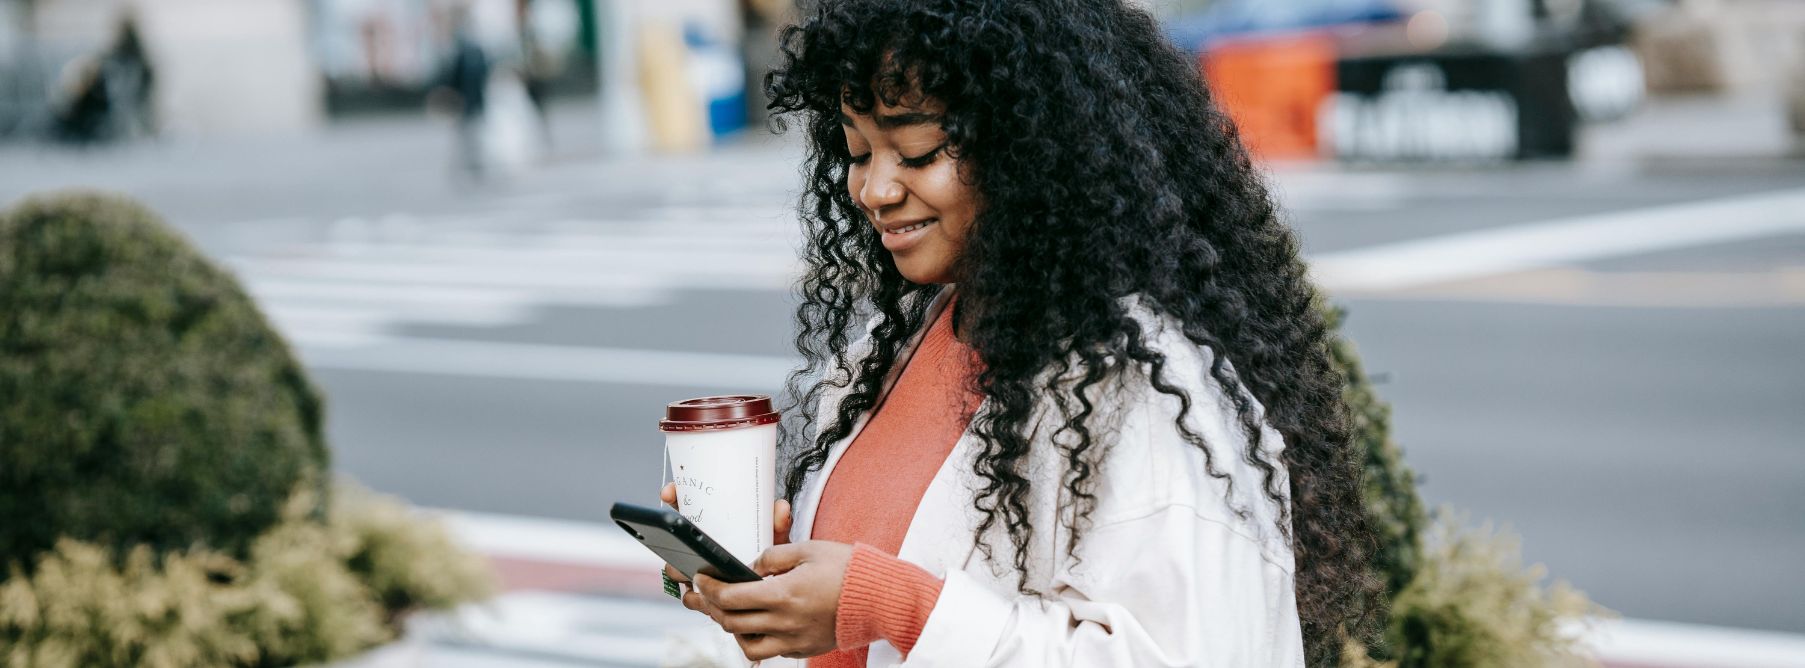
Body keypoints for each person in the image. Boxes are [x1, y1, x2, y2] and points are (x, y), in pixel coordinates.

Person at [661, 0, 1381, 665]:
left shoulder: (1145, 391)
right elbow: (859, 601)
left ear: (1031, 150)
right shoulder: (885, 357)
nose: (875, 190)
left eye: (916, 152)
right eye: (857, 152)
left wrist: (894, 605)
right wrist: (765, 576)